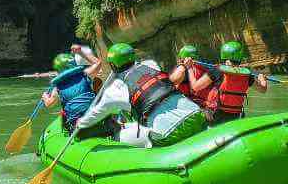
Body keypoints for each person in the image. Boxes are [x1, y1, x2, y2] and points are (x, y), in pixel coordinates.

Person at [74, 43, 208, 148]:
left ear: (113, 65)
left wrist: (80, 123)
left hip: (171, 133)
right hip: (197, 115)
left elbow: (95, 114)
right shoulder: (151, 65)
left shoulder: (114, 90)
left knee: (118, 134)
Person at [42, 44, 108, 138]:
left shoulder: (58, 87)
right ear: (73, 64)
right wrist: (81, 52)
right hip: (96, 119)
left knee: (64, 109)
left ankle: (69, 132)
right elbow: (98, 63)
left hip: (78, 126)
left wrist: (44, 97)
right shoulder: (85, 75)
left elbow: (49, 104)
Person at [207, 41, 268, 122]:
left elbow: (195, 87)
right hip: (236, 115)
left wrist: (189, 68)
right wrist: (262, 79)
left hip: (216, 114)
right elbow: (263, 89)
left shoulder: (217, 71)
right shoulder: (246, 75)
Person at [168, 44, 219, 111]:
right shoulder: (204, 66)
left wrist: (184, 66)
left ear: (181, 59)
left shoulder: (182, 68)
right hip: (206, 102)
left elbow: (174, 81)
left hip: (198, 104)